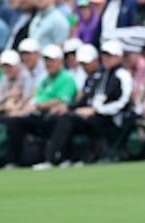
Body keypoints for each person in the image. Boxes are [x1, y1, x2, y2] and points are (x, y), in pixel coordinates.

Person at [34, 40, 134, 168]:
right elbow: (87, 99)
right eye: (104, 55)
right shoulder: (100, 75)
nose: (106, 58)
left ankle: (53, 159)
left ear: (119, 57)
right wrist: (68, 108)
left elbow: (123, 102)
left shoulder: (122, 75)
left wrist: (96, 110)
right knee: (62, 117)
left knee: (68, 119)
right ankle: (64, 157)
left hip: (113, 118)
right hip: (96, 115)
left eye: (110, 56)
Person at [1, 44, 77, 168]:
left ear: (60, 62)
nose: (48, 64)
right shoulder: (44, 79)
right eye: (46, 60)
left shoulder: (67, 78)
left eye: (51, 60)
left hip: (52, 115)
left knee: (61, 120)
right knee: (14, 121)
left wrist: (39, 106)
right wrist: (22, 110)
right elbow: (35, 97)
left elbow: (61, 100)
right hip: (39, 116)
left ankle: (53, 159)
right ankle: (13, 161)